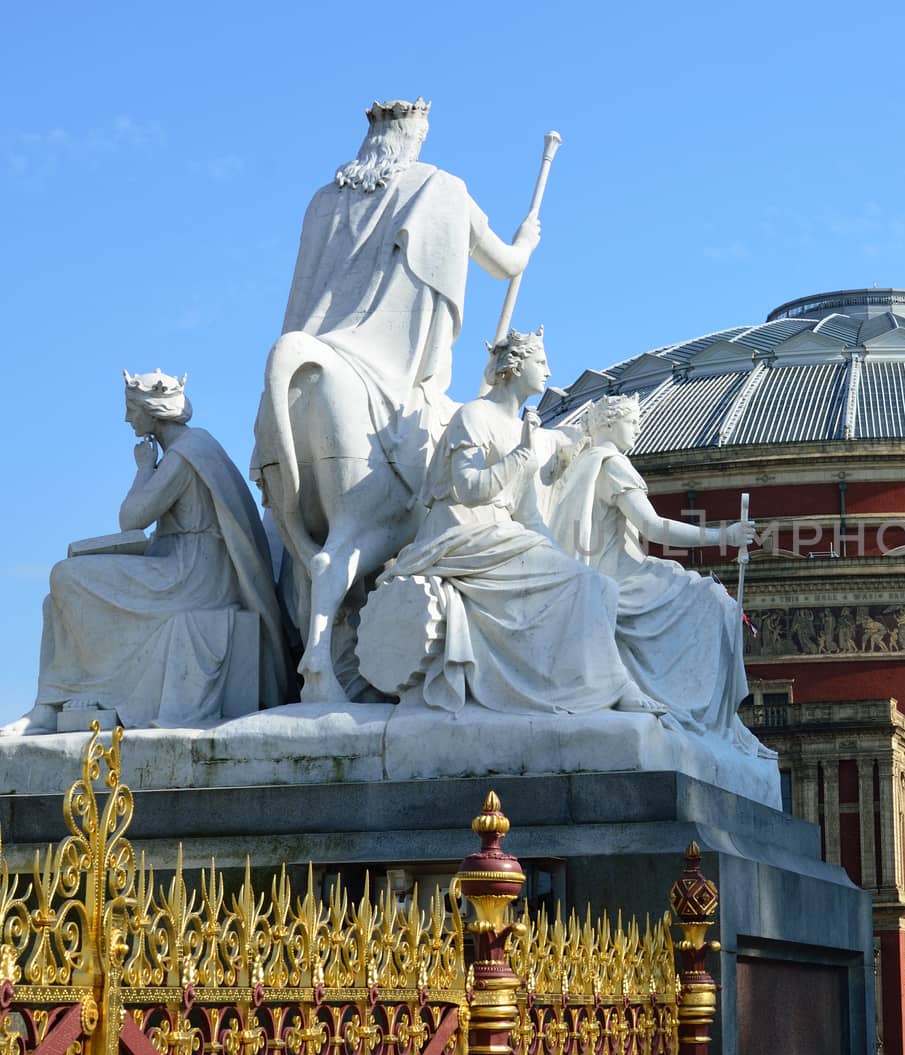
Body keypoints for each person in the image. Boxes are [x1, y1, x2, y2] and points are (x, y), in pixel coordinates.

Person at [251, 99, 545, 702]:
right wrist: (526, 242)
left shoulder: (322, 201)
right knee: (424, 490)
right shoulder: (441, 186)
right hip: (393, 376)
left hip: (306, 366)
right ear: (415, 138)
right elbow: (504, 264)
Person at [362, 330, 661, 715]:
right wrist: (520, 456)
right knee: (582, 584)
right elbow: (468, 489)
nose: (549, 372)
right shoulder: (472, 416)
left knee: (596, 584)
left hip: (501, 536)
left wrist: (560, 559)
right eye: (540, 363)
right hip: (459, 534)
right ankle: (613, 692)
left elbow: (529, 514)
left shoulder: (524, 429)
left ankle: (576, 689)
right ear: (515, 367)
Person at [27, 371, 286, 729]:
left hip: (193, 576)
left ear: (153, 411)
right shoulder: (194, 447)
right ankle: (48, 704)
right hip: (181, 564)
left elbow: (131, 518)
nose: (127, 418)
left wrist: (143, 468)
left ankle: (89, 688)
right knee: (55, 598)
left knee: (66, 576)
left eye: (132, 409)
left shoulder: (186, 454)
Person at [548, 394, 772, 756]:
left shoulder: (584, 465)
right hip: (622, 580)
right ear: (607, 423)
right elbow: (653, 528)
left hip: (602, 577)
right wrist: (723, 537)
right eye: (631, 422)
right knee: (714, 602)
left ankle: (721, 723)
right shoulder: (612, 464)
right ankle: (715, 722)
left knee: (706, 596)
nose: (637, 428)